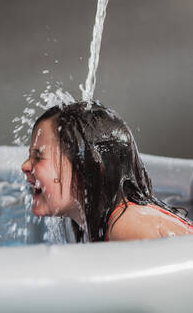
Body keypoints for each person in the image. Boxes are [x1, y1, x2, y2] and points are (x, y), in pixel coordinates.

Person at [22, 101, 193, 242]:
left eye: (38, 157)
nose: (25, 166)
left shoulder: (127, 225)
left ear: (87, 169)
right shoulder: (107, 223)